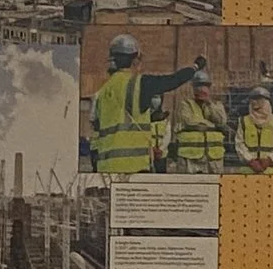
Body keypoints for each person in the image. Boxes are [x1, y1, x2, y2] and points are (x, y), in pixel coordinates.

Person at [89, 34, 159, 174]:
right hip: (135, 165)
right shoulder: (135, 87)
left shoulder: (101, 93)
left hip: (106, 162)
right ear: (134, 60)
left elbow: (95, 123)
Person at [164, 59, 228, 174]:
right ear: (193, 88)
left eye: (204, 86)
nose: (201, 89)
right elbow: (190, 122)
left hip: (213, 157)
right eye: (198, 86)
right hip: (190, 156)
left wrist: (208, 103)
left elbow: (222, 121)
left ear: (209, 88)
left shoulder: (216, 105)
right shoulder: (185, 105)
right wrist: (213, 126)